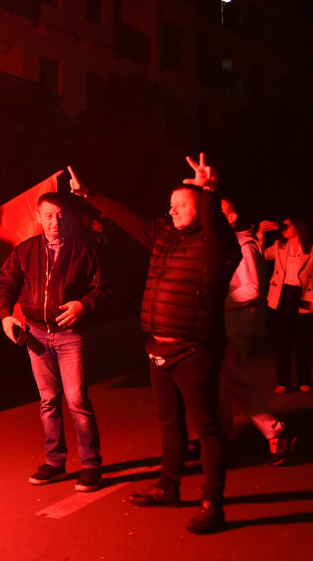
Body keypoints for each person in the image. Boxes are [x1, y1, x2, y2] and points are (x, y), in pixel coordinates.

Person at [71, 155, 239, 535]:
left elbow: (215, 224)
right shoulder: (164, 237)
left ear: (201, 207)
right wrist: (89, 195)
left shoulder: (216, 244)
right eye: (170, 205)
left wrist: (209, 190)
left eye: (181, 205)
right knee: (169, 422)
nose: (172, 210)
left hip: (195, 350)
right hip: (158, 349)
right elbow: (128, 218)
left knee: (208, 427)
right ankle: (168, 487)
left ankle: (213, 504)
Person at [0, 193, 108, 491]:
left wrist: (85, 304)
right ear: (38, 217)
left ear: (66, 216)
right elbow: (6, 284)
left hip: (71, 335)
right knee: (48, 400)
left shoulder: (85, 249)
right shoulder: (25, 250)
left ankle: (91, 465)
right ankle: (55, 462)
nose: (54, 222)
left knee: (77, 400)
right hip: (35, 334)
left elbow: (104, 287)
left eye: (59, 215)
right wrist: (6, 316)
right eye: (48, 215)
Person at [220, 199, 295, 465]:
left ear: (232, 217)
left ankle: (275, 432)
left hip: (238, 325)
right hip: (228, 323)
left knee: (233, 380)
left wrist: (215, 300)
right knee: (223, 382)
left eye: (218, 212)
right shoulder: (229, 243)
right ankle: (219, 437)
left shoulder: (244, 245)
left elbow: (252, 289)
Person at [259, 215, 313, 394]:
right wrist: (260, 233)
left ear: (298, 226)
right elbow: (260, 255)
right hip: (281, 295)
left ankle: (304, 380)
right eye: (283, 226)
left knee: (303, 340)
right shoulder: (279, 246)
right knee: (282, 340)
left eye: (287, 225)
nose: (284, 229)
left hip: (303, 295)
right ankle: (283, 382)